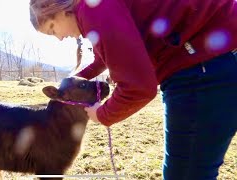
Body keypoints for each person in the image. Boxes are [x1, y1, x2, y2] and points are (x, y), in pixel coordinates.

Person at [29, 0, 237, 179]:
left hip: (204, 67)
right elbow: (112, 49)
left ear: (57, 8)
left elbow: (138, 89)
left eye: (52, 29)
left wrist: (102, 114)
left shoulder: (92, 9)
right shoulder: (97, 7)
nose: (58, 37)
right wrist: (80, 77)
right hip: (216, 55)